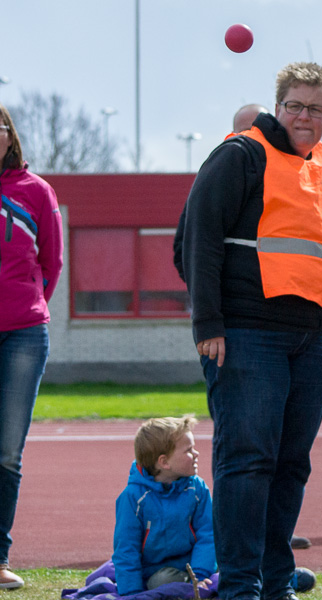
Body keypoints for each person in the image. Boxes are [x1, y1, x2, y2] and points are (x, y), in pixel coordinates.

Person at [182, 62, 322, 600]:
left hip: (312, 342)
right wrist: (209, 322)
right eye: (295, 106)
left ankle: (276, 582)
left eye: (316, 109)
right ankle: (241, 587)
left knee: (289, 466)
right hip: (247, 335)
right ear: (278, 107)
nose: (305, 117)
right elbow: (196, 240)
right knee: (247, 461)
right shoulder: (241, 154)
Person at [0, 103, 64, 591]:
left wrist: (27, 308)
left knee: (6, 452)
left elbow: (52, 263)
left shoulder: (35, 191)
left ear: (9, 137)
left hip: (22, 334)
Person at [113, 416, 215, 596]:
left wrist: (199, 574)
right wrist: (132, 593)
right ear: (164, 462)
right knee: (163, 582)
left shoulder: (197, 488)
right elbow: (126, 549)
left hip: (197, 566)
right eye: (189, 450)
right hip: (155, 572)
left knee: (237, 570)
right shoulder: (133, 498)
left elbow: (209, 534)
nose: (197, 454)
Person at [173, 102, 270, 282]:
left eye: (260, 131)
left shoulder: (281, 177)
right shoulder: (216, 173)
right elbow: (186, 247)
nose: (253, 137)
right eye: (246, 131)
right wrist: (213, 291)